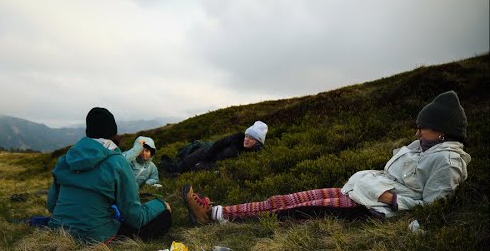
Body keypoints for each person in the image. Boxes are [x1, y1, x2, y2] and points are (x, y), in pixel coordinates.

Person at [183, 91, 470, 225]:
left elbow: (434, 207)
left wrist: (392, 200)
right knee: (286, 199)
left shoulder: (447, 161)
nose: (418, 131)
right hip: (360, 190)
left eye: (424, 127)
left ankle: (215, 216)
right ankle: (220, 209)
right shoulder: (422, 147)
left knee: (290, 212)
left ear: (443, 130)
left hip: (370, 207)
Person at [47, 107, 172, 243]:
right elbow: (135, 217)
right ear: (113, 131)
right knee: (165, 217)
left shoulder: (65, 159)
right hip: (94, 237)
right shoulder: (117, 162)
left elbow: (52, 205)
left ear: (88, 130)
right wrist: (160, 204)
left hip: (57, 230)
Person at [159, 121, 268, 174]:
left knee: (189, 173)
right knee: (180, 167)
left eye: (251, 138)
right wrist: (204, 161)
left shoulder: (255, 153)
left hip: (212, 164)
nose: (247, 139)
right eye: (247, 136)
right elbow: (217, 144)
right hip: (207, 152)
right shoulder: (238, 137)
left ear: (258, 142)